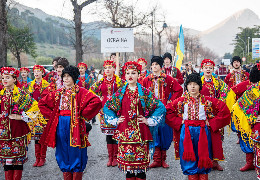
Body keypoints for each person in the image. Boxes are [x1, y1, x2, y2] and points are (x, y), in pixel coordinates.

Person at [103, 61, 166, 180]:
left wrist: (149, 120)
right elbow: (108, 107)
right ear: (124, 75)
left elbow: (160, 107)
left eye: (133, 73)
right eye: (128, 73)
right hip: (125, 134)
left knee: (141, 168)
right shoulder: (120, 93)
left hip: (141, 134)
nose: (130, 75)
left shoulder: (144, 93)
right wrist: (116, 120)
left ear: (138, 74)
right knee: (129, 170)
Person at [38, 65, 102, 180]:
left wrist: (82, 114)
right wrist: (53, 116)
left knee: (76, 151)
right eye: (64, 76)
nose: (66, 79)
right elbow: (42, 103)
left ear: (74, 77)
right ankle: (66, 174)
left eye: (68, 76)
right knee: (62, 151)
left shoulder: (81, 92)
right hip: (61, 124)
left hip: (76, 124)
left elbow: (96, 101)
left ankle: (77, 174)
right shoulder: (58, 93)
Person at [166, 73, 231, 180]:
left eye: (195, 84)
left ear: (199, 86)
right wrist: (179, 121)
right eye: (190, 84)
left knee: (204, 156)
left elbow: (224, 110)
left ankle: (203, 175)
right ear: (186, 86)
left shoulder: (207, 101)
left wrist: (212, 122)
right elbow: (168, 111)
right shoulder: (181, 101)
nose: (192, 87)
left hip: (203, 132)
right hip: (186, 132)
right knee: (189, 158)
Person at [0, 67, 43, 180]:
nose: (4, 80)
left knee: (17, 161)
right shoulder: (1, 94)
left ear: (14, 79)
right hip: (3, 134)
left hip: (18, 133)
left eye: (7, 78)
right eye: (3, 78)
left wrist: (20, 117)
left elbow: (35, 107)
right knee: (7, 162)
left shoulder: (21, 94)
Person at [143, 56, 183, 168]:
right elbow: (141, 93)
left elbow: (179, 90)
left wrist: (171, 102)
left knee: (164, 133)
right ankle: (156, 159)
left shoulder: (168, 79)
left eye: (156, 64)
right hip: (151, 111)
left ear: (161, 66)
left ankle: (163, 159)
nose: (154, 66)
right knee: (154, 133)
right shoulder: (146, 80)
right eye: (153, 64)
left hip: (165, 109)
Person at [200, 59, 236, 171]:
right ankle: (206, 160)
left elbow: (226, 92)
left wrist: (219, 104)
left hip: (216, 113)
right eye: (206, 67)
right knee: (204, 137)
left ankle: (215, 161)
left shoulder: (218, 82)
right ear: (202, 69)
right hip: (202, 113)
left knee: (217, 137)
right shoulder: (198, 82)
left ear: (213, 70)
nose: (208, 69)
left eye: (210, 68)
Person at [90, 60, 124, 167]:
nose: (107, 70)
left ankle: (116, 157)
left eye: (110, 67)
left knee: (116, 134)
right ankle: (110, 157)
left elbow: (126, 92)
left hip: (117, 112)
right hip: (105, 112)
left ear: (114, 69)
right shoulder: (100, 82)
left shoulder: (119, 82)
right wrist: (98, 100)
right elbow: (91, 91)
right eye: (105, 68)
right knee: (108, 134)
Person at [232, 64, 260, 179]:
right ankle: (251, 163)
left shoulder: (251, 90)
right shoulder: (251, 91)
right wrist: (252, 117)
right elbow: (238, 104)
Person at [28, 65, 49, 167]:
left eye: (38, 71)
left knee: (42, 136)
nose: (36, 73)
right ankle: (37, 158)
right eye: (34, 71)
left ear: (42, 73)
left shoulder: (47, 85)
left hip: (43, 114)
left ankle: (43, 158)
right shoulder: (29, 85)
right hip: (34, 114)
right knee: (36, 136)